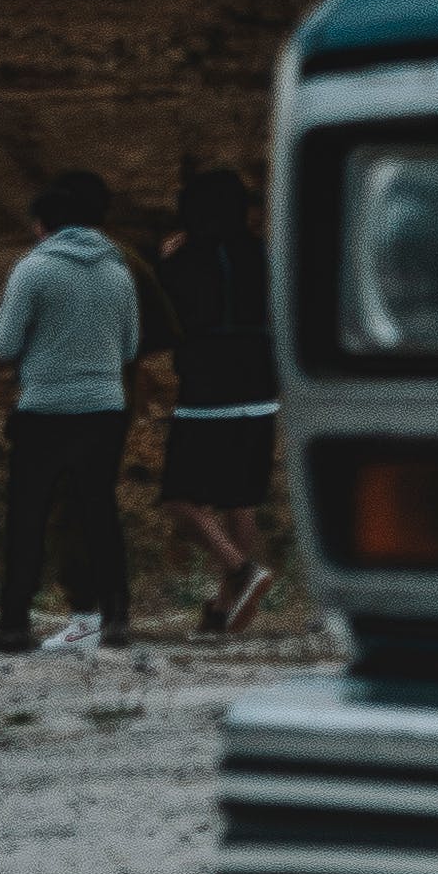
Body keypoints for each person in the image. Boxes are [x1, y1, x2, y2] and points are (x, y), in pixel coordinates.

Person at [0, 167, 147, 656]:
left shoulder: (33, 269)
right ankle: (116, 618)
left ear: (44, 224)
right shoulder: (118, 272)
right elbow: (131, 346)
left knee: (28, 516)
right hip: (106, 408)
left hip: (45, 410)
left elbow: (4, 343)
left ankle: (13, 623)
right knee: (100, 513)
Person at [155, 145, 285, 641]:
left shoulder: (186, 258)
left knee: (179, 497)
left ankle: (239, 570)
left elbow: (170, 319)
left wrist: (167, 262)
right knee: (240, 500)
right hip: (261, 387)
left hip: (208, 390)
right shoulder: (263, 254)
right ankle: (224, 614)